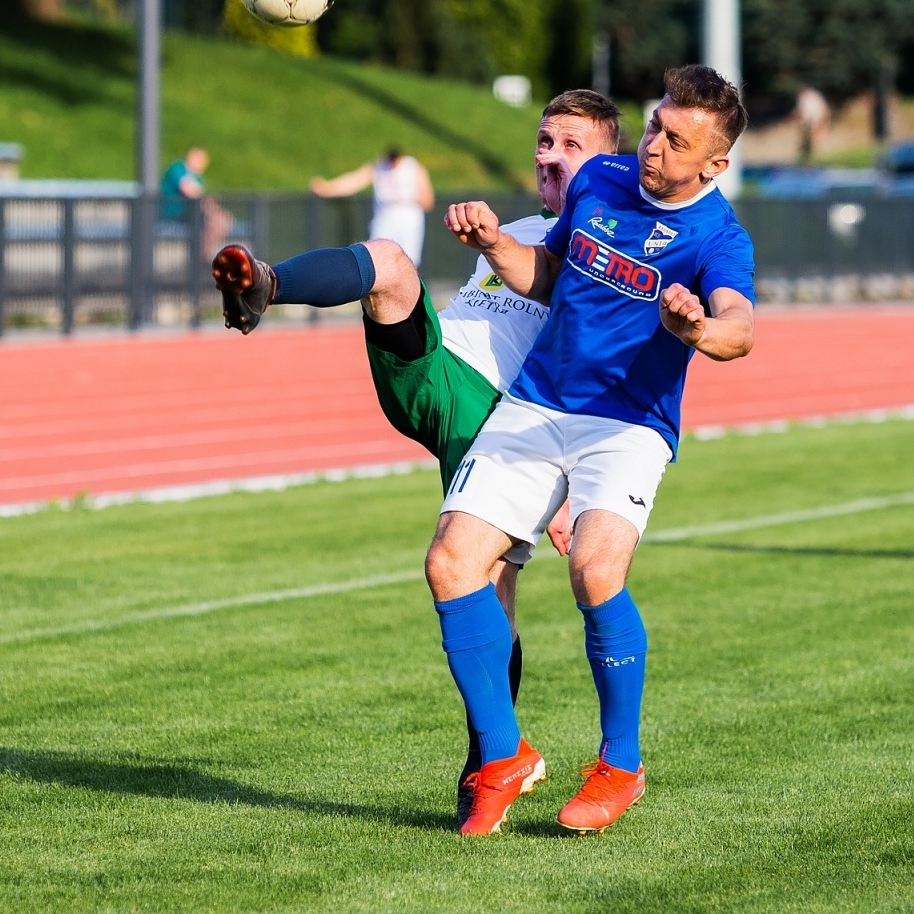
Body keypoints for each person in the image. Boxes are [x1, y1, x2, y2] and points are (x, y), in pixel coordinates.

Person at [209, 90, 623, 819]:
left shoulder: (603, 247)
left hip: (497, 414)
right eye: (542, 140)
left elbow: (599, 370)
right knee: (390, 265)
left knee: (485, 585)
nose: (546, 154)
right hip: (433, 375)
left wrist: (578, 493)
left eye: (570, 145)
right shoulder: (524, 224)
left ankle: (488, 763)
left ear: (608, 162)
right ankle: (268, 285)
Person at [434, 65, 756, 835]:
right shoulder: (599, 180)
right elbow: (551, 277)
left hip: (629, 423)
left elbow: (739, 326)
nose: (653, 146)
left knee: (594, 567)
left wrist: (697, 331)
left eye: (676, 141)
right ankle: (505, 755)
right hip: (539, 400)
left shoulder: (720, 235)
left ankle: (620, 765)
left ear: (714, 164)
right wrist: (494, 244)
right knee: (450, 562)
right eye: (654, 126)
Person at [310, 147, 435, 267]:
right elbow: (355, 181)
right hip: (384, 221)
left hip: (409, 223)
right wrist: (327, 189)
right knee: (377, 259)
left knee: (409, 263)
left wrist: (406, 197)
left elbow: (428, 201)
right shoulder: (379, 166)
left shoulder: (413, 168)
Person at [159, 147, 234, 263]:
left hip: (192, 214)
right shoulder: (178, 168)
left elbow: (200, 196)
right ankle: (199, 258)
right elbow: (190, 191)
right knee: (214, 218)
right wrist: (209, 203)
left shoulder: (198, 177)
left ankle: (202, 255)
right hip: (174, 212)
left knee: (221, 220)